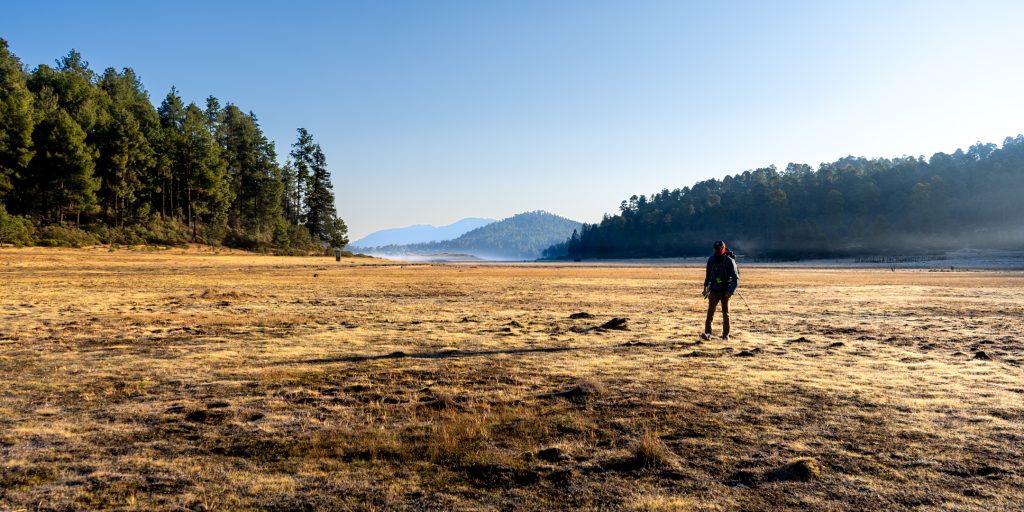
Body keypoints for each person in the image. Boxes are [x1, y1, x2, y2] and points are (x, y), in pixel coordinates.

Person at [702, 240, 738, 340]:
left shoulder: (730, 261)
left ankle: (726, 335)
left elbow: (736, 278)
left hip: (726, 290)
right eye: (715, 249)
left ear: (722, 249)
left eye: (718, 249)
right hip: (714, 289)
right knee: (710, 312)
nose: (716, 251)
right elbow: (708, 276)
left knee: (726, 313)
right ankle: (707, 333)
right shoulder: (711, 260)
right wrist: (705, 287)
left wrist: (730, 291)